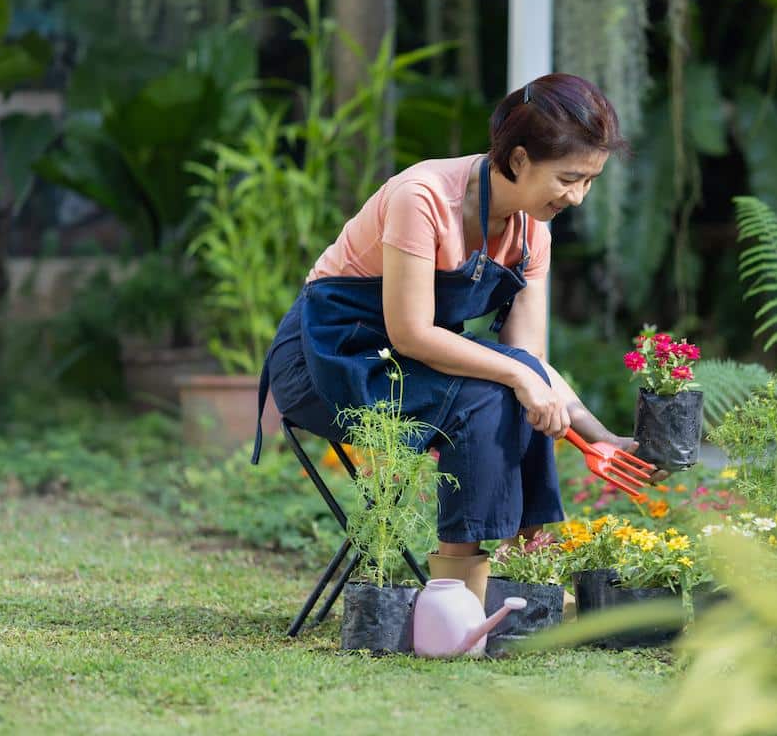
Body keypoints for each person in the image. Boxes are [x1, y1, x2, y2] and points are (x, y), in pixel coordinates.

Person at [253, 73, 642, 606]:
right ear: (521, 159)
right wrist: (517, 375)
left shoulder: (533, 235)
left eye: (589, 181)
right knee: (491, 392)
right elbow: (411, 333)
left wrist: (599, 437)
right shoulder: (424, 197)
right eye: (569, 178)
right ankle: (463, 594)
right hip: (323, 364)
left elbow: (527, 359)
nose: (577, 197)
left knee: (504, 386)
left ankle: (523, 576)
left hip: (406, 372)